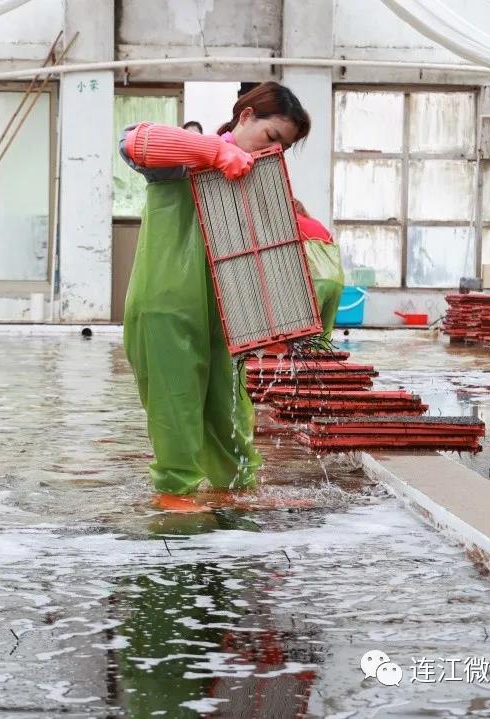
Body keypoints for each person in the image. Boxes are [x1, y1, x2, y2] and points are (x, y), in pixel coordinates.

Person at [119, 82, 311, 505]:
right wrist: (214, 151)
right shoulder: (183, 161)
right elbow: (133, 141)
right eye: (271, 138)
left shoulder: (255, 181)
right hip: (165, 304)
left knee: (230, 406)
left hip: (223, 312)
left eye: (283, 147)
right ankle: (174, 494)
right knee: (176, 401)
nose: (272, 151)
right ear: (246, 117)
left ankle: (236, 488)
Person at [293, 199, 344, 341]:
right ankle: (325, 360)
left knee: (302, 336)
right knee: (324, 337)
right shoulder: (318, 224)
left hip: (316, 280)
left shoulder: (292, 221)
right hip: (337, 281)